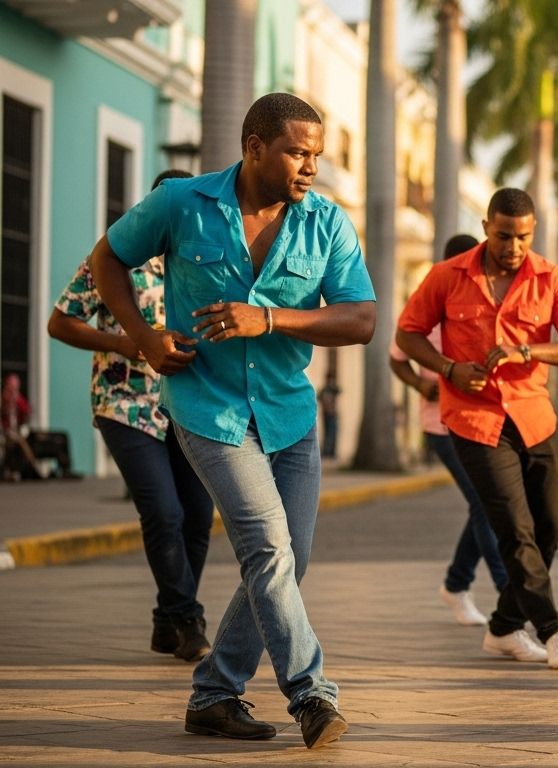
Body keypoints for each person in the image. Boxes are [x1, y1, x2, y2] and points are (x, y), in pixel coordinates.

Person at [90, 92, 375, 749]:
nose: (311, 167)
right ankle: (312, 695)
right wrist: (141, 336)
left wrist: (270, 318)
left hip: (290, 414)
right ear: (253, 147)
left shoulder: (327, 224)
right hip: (207, 406)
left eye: (317, 156)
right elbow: (110, 259)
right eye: (297, 152)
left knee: (287, 560)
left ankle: (214, 694)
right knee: (269, 548)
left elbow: (360, 319)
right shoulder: (182, 204)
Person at [397, 188, 558, 671]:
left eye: (523, 237)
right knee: (514, 526)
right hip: (474, 420)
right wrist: (447, 369)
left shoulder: (553, 279)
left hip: (534, 418)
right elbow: (407, 334)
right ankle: (553, 629)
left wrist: (529, 352)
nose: (513, 246)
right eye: (504, 234)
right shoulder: (447, 276)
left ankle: (504, 626)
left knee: (550, 527)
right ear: (487, 226)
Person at [48, 168, 216, 662]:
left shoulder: (203, 264)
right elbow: (61, 322)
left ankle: (167, 622)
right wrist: (126, 341)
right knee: (163, 511)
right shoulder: (117, 257)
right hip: (124, 404)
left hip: (189, 406)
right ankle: (188, 620)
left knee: (198, 517)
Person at [389, 233, 508, 627]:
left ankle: (457, 584)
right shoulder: (428, 301)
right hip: (439, 424)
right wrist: (420, 383)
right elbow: (397, 356)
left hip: (480, 421)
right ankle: (510, 593)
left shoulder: (482, 306)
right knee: (485, 502)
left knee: (484, 503)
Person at [317, 378, 340, 458]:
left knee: (333, 434)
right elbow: (319, 398)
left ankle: (331, 452)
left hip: (333, 414)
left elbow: (338, 390)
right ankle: (327, 452)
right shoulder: (325, 390)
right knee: (328, 434)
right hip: (327, 414)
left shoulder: (332, 389)